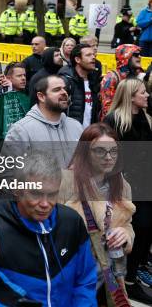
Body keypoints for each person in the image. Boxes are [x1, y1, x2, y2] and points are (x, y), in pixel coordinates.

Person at [0, 153, 97, 306]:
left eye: (52, 195)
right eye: (36, 194)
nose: (45, 203)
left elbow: (85, 280)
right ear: (16, 189)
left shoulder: (72, 222)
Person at [58, 123, 137, 305]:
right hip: (70, 278)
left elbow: (127, 223)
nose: (108, 157)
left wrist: (126, 235)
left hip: (107, 277)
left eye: (113, 151)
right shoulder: (65, 182)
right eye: (100, 151)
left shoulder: (122, 186)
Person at [104, 78, 152, 303]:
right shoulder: (114, 120)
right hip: (125, 187)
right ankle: (126, 281)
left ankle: (134, 276)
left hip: (146, 183)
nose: (147, 96)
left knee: (146, 232)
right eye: (143, 92)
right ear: (131, 96)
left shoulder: (145, 118)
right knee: (135, 230)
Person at [2, 75, 83, 171]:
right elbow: (6, 171)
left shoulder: (76, 126)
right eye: (57, 90)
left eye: (65, 89)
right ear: (41, 97)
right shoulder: (22, 130)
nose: (64, 92)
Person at [58, 43, 100, 127]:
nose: (93, 57)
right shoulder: (66, 80)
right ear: (77, 59)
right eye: (88, 55)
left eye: (93, 54)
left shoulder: (94, 81)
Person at [100, 44, 143, 120]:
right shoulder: (111, 78)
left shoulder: (139, 76)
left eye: (140, 54)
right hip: (116, 124)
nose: (140, 57)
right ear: (126, 57)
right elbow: (107, 109)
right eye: (136, 55)